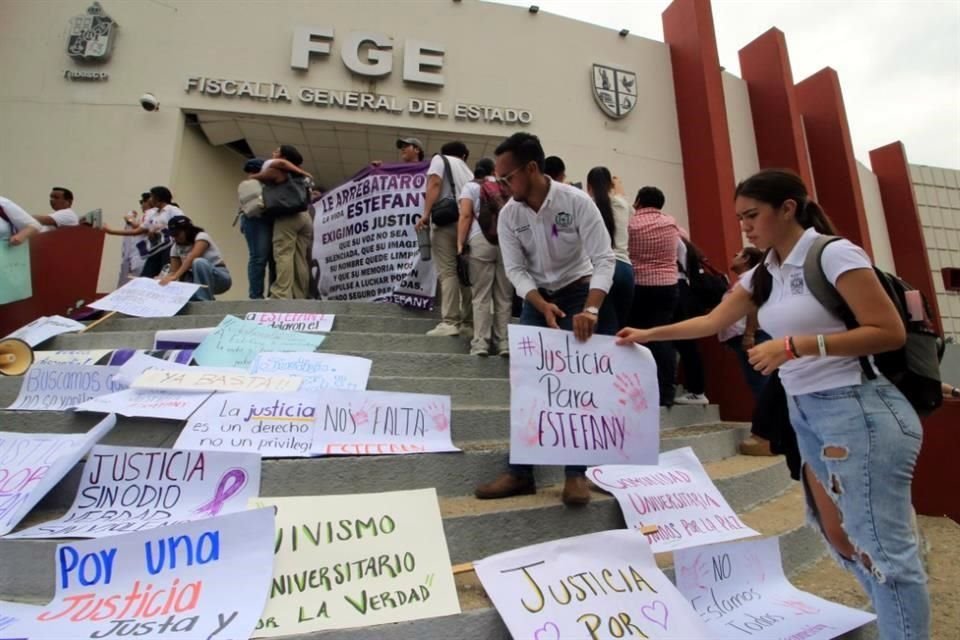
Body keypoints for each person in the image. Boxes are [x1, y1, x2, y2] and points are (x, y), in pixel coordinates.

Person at [617, 168, 929, 638]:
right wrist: (646, 334)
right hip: (808, 415)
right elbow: (710, 320)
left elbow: (887, 332)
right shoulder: (766, 271)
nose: (745, 226)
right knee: (840, 536)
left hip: (859, 409)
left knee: (883, 550)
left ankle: (902, 623)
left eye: (753, 215)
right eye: (740, 217)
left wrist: (793, 347)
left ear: (788, 208)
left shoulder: (833, 254)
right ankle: (897, 610)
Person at [474, 132, 616, 507]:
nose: (503, 186)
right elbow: (516, 270)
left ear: (532, 168)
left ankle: (576, 474)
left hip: (578, 292)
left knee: (575, 383)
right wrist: (538, 302)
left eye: (508, 177)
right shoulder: (509, 215)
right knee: (529, 383)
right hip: (537, 299)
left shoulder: (576, 202)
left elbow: (605, 259)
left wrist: (590, 309)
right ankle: (521, 473)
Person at [626, 186, 682, 406]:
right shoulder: (671, 222)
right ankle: (666, 391)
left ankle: (639, 388)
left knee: (635, 338)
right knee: (662, 337)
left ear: (638, 200)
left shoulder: (631, 223)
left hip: (638, 285)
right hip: (668, 286)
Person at [415, 141, 474, 337]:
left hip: (446, 222)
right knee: (465, 274)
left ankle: (450, 322)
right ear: (464, 156)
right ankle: (468, 323)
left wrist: (425, 214)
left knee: (448, 272)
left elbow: (434, 183)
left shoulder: (438, 160)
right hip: (467, 224)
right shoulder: (468, 171)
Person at [458, 158, 513, 356]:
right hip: (507, 243)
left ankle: (480, 343)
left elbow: (465, 215)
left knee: (481, 295)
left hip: (481, 240)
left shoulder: (471, 187)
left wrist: (460, 243)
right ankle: (504, 343)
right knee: (504, 297)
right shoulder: (506, 185)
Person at [249, 145, 313, 299]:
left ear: (284, 157)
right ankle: (299, 294)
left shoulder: (279, 170)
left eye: (277, 151)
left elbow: (254, 179)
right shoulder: (301, 177)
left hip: (287, 217)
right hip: (305, 217)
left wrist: (254, 177)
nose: (273, 153)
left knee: (283, 254)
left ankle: (280, 294)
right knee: (300, 258)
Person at [586, 167, 633, 329]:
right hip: (625, 269)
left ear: (588, 186)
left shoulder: (587, 206)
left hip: (599, 270)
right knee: (620, 327)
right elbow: (620, 196)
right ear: (610, 186)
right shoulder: (622, 205)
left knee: (604, 328)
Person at [103, 186, 181, 278]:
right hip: (155, 249)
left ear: (158, 197)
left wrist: (162, 229)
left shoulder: (172, 210)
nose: (150, 200)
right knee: (145, 277)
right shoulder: (154, 213)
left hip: (169, 249)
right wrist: (111, 231)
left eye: (152, 197)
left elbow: (183, 224)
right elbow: (138, 230)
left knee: (165, 276)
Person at [673, 235, 711, 405]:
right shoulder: (683, 242)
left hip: (673, 286)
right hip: (684, 290)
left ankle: (695, 390)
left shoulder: (670, 236)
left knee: (682, 342)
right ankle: (695, 389)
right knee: (685, 343)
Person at [160, 215, 231, 301]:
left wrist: (175, 276)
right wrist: (161, 279)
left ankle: (205, 301)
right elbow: (173, 271)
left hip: (218, 278)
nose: (175, 238)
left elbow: (192, 257)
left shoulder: (201, 237)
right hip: (195, 280)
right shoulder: (175, 248)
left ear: (187, 230)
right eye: (173, 235)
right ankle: (194, 299)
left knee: (198, 262)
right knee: (183, 278)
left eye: (177, 234)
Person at [238, 158, 275, 299]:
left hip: (256, 220)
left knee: (263, 258)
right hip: (257, 220)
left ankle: (259, 294)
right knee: (259, 258)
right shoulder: (257, 184)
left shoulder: (252, 184)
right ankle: (256, 295)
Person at [117, 192, 151, 285]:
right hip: (134, 257)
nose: (141, 205)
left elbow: (141, 227)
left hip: (142, 257)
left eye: (142, 202)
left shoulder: (150, 214)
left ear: (148, 202)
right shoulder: (145, 216)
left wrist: (130, 219)